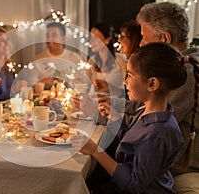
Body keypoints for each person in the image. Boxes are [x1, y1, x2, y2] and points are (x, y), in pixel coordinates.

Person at [71, 42, 187, 193]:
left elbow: (133, 184)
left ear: (152, 84)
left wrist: (95, 151)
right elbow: (130, 141)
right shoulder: (146, 110)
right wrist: (114, 119)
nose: (125, 81)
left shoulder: (157, 134)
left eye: (130, 76)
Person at [136, 2, 199, 188]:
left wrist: (110, 112)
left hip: (185, 168)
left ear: (164, 38)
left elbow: (151, 120)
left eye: (143, 37)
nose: (140, 45)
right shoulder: (177, 66)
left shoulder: (187, 72)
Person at [27, 22, 84, 90]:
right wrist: (41, 82)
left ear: (63, 38)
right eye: (48, 35)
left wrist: (77, 81)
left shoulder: (74, 58)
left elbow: (84, 83)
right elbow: (30, 85)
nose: (49, 39)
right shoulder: (38, 59)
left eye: (54, 35)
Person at [87, 23, 126, 97]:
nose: (91, 41)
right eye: (91, 37)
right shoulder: (92, 61)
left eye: (95, 38)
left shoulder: (120, 60)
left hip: (116, 103)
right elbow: (86, 85)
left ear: (107, 40)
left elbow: (126, 88)